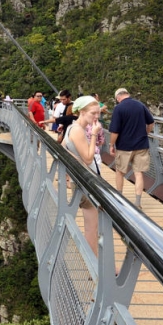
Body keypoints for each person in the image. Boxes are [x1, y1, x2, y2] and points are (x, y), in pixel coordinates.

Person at [62, 95, 103, 254]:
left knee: (93, 226)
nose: (96, 117)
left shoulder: (72, 128)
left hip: (80, 180)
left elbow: (65, 148)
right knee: (92, 228)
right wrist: (93, 134)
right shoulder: (78, 130)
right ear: (82, 112)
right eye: (93, 113)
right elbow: (87, 158)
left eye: (98, 113)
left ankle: (97, 262)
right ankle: (95, 263)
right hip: (85, 182)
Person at [108, 88, 155, 209]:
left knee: (120, 171)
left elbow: (115, 131)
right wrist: (145, 133)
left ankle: (119, 198)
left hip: (124, 146)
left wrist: (111, 145)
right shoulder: (140, 105)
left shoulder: (119, 108)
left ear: (118, 97)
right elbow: (151, 123)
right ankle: (138, 202)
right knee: (138, 173)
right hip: (141, 145)